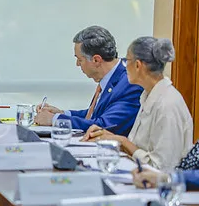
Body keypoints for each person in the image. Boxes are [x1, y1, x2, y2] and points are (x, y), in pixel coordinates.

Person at [84, 37, 192, 170]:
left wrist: (122, 141)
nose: (124, 66)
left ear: (138, 65)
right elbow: (139, 147)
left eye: (127, 61)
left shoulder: (167, 104)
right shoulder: (148, 95)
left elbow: (163, 168)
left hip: (158, 186)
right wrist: (111, 137)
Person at [34, 26, 142, 135]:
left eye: (80, 59)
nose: (77, 64)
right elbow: (95, 114)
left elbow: (105, 125)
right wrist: (62, 113)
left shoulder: (130, 82)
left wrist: (55, 119)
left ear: (96, 60)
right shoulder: (113, 76)